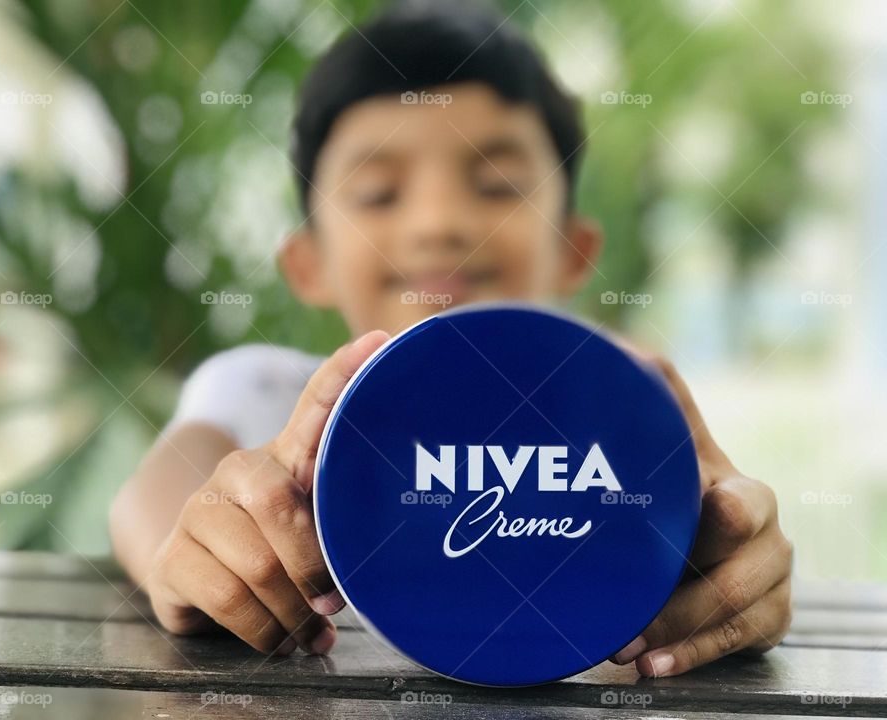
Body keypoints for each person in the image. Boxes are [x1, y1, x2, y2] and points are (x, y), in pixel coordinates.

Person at [109, 0, 793, 677]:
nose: (439, 224)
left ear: (573, 249)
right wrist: (193, 550)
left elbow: (716, 531)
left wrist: (735, 564)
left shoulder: (622, 417)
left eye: (497, 185)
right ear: (307, 264)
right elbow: (151, 497)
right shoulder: (262, 391)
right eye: (378, 192)